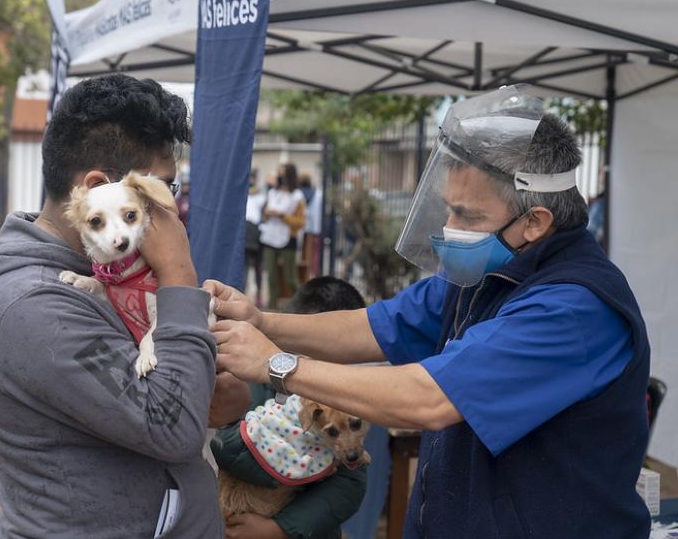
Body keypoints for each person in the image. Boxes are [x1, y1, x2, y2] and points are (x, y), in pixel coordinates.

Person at [206, 86, 651, 538]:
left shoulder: (574, 310)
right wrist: (262, 321)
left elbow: (430, 398)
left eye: (467, 216)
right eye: (448, 210)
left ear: (534, 222)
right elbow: (376, 325)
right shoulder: (490, 273)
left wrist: (276, 364)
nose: (449, 228)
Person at [0, 74, 251, 539]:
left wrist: (207, 393)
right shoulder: (33, 306)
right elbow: (172, 425)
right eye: (164, 192)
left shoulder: (104, 276)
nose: (172, 212)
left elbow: (178, 403)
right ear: (98, 188)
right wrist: (179, 276)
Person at [213, 276, 368, 539]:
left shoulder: (345, 402)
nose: (309, 370)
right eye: (302, 354)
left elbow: (350, 485)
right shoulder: (253, 382)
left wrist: (280, 529)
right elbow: (223, 448)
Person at [260, 163, 306, 309]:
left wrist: (282, 216)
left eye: (283, 174)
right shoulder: (272, 193)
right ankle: (272, 307)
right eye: (279, 174)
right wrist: (266, 214)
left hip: (288, 239)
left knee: (290, 278)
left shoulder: (297, 197)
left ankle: (304, 304)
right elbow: (264, 214)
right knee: (271, 277)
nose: (280, 177)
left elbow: (300, 222)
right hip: (270, 237)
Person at [245, 169, 266, 306]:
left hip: (257, 234)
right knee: (247, 267)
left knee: (257, 268)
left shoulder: (262, 196)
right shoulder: (259, 196)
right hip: (250, 232)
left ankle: (258, 295)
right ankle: (243, 293)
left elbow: (265, 215)